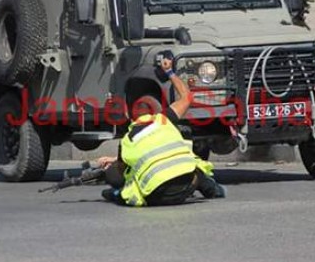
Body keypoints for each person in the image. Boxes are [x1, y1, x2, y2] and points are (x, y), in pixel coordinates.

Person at [96, 51, 226, 206]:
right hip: (187, 187)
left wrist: (111, 163)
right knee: (193, 164)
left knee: (126, 180)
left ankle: (116, 194)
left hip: (157, 197)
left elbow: (125, 167)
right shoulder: (164, 120)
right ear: (153, 113)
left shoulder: (128, 140)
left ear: (131, 118)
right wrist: (170, 72)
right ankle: (214, 190)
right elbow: (186, 97)